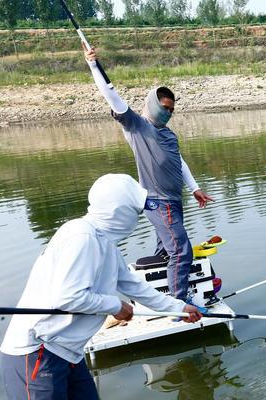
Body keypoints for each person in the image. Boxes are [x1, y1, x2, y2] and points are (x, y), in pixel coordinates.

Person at [0, 174, 203, 400]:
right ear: (120, 210)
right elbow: (67, 298)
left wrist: (178, 308)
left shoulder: (104, 241)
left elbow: (132, 284)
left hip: (69, 353)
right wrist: (115, 306)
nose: (139, 217)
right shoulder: (82, 236)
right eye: (136, 210)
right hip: (38, 352)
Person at [84, 47, 214, 304]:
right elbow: (112, 97)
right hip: (158, 201)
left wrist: (194, 188)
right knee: (181, 251)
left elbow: (178, 161)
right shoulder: (138, 127)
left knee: (167, 252)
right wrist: (93, 65)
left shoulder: (168, 133)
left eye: (172, 110)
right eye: (165, 108)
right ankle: (180, 303)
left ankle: (161, 293)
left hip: (174, 201)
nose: (168, 112)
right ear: (154, 105)